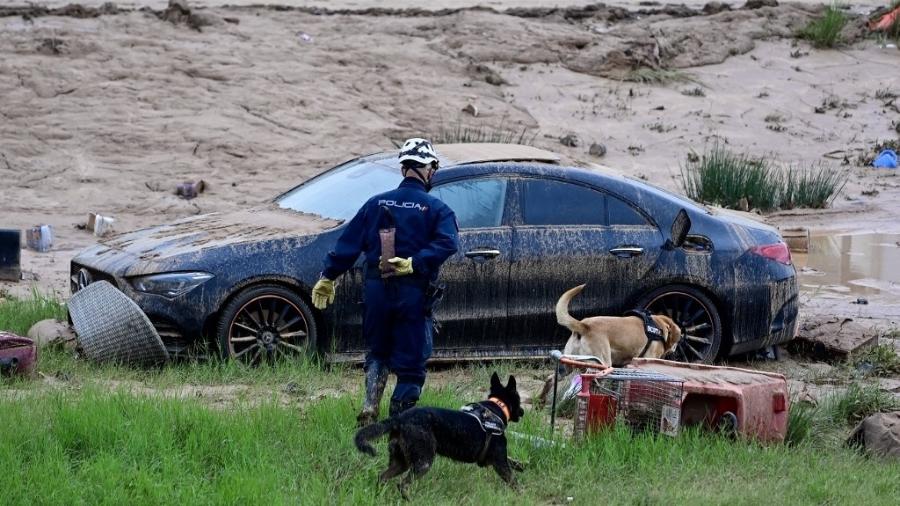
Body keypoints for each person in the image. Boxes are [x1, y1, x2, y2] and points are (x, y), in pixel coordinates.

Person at [311, 138, 459, 426]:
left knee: (378, 351)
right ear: (429, 169)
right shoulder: (437, 209)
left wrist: (328, 277)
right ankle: (397, 426)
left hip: (376, 292)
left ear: (403, 168)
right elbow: (448, 243)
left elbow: (348, 244)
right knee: (411, 365)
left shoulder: (374, 203)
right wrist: (415, 262)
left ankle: (369, 405)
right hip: (413, 295)